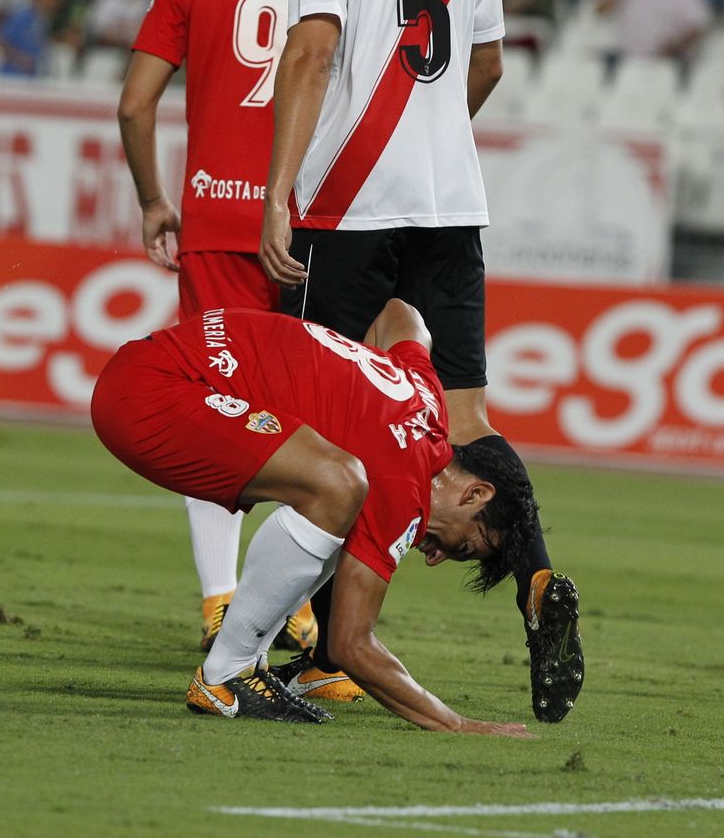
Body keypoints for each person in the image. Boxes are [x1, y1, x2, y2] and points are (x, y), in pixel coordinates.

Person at [257, 0, 582, 725]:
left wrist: (282, 188)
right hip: (447, 199)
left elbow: (313, 50)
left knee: (315, 423)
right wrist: (432, 139)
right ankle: (536, 576)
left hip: (350, 204)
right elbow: (485, 61)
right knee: (467, 413)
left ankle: (306, 647)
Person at [91, 298, 538, 736]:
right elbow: (350, 644)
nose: (434, 556)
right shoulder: (403, 492)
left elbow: (401, 314)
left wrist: (348, 392)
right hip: (153, 397)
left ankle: (245, 667)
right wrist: (455, 722)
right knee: (341, 483)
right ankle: (226, 675)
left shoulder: (426, 399)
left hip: (161, 362)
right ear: (475, 493)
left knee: (343, 489)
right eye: (462, 546)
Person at [117, 0, 325, 664]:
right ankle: (305, 618)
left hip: (213, 225)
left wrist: (154, 200)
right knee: (319, 422)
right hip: (310, 225)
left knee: (218, 414)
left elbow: (135, 106)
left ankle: (221, 599)